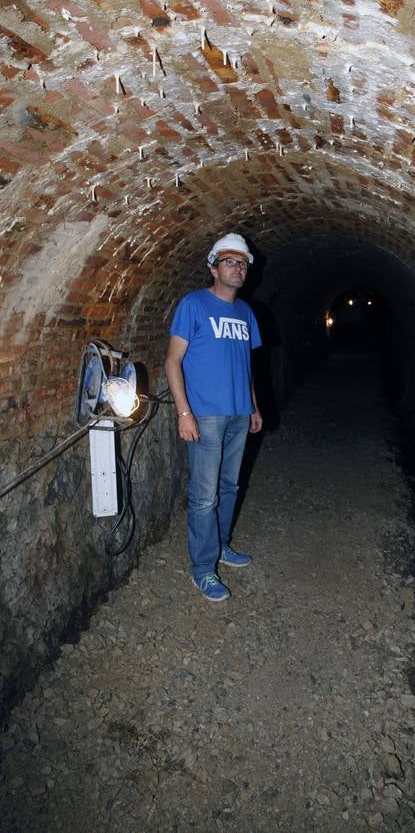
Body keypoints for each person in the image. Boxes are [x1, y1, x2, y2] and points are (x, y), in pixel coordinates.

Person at [165, 233, 263, 602]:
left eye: (242, 263)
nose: (237, 267)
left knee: (229, 488)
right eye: (229, 261)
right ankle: (202, 569)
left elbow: (246, 365)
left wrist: (253, 406)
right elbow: (172, 361)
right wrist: (184, 412)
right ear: (213, 267)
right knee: (204, 496)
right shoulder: (193, 305)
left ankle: (221, 545)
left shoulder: (246, 312)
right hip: (205, 414)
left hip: (238, 412)